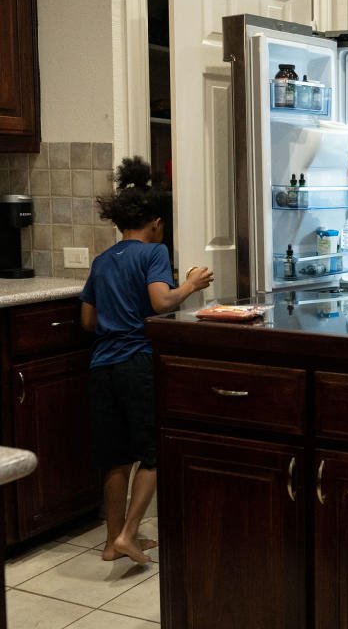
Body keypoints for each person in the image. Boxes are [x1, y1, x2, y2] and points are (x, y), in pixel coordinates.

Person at [79, 157, 214, 564]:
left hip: (101, 366)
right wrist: (190, 284)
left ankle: (110, 541)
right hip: (136, 362)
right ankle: (130, 534)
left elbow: (87, 320)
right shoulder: (154, 252)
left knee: (115, 458)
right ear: (155, 222)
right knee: (153, 455)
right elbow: (160, 302)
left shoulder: (102, 261)